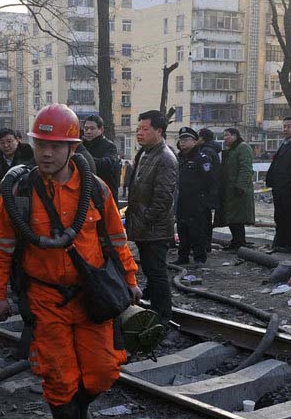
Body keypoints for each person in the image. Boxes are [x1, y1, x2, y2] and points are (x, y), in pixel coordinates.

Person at [0, 103, 140, 419]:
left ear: (73, 149)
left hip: (91, 297)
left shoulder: (95, 190)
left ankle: (80, 409)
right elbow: (0, 246)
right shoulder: (19, 191)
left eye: (56, 146)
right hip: (45, 298)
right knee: (59, 377)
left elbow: (116, 240)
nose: (47, 153)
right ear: (32, 145)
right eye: (41, 145)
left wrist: (131, 281)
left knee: (104, 371)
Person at [126, 110, 177, 325]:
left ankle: (163, 317)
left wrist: (146, 218)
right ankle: (155, 309)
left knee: (157, 273)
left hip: (155, 228)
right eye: (138, 129)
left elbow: (163, 197)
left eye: (145, 129)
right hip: (145, 227)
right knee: (150, 270)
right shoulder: (146, 153)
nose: (140, 133)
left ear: (159, 130)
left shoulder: (165, 157)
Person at [173, 127, 214, 265]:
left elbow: (210, 181)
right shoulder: (178, 158)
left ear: (195, 142)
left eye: (186, 139)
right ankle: (183, 256)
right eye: (181, 139)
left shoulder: (201, 158)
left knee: (197, 229)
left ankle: (199, 257)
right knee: (182, 228)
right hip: (182, 200)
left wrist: (205, 201)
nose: (182, 142)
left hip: (197, 201)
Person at [266, 117, 291, 254]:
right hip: (279, 187)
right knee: (280, 216)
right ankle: (280, 243)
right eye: (284, 126)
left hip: (290, 188)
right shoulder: (285, 143)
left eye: (289, 126)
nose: (285, 129)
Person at [214, 127, 255, 250]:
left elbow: (246, 168)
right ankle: (236, 241)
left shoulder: (243, 147)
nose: (224, 138)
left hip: (238, 190)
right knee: (232, 218)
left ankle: (239, 243)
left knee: (238, 218)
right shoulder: (232, 150)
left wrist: (240, 186)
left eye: (227, 135)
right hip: (230, 190)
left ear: (235, 136)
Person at [0, 129, 34, 209]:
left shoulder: (29, 155)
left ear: (17, 140)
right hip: (0, 204)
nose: (6, 145)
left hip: (27, 202)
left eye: (9, 141)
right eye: (2, 143)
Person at [81, 115, 121, 199]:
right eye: (86, 128)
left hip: (104, 196)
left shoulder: (109, 146)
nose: (88, 131)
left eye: (92, 128)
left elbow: (107, 164)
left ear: (101, 129)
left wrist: (82, 160)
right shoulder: (81, 146)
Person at [196, 128, 221, 251]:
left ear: (203, 138)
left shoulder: (206, 151)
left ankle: (204, 246)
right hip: (210, 191)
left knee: (203, 220)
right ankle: (205, 245)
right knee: (206, 219)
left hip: (205, 192)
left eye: (198, 137)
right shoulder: (211, 149)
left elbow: (207, 173)